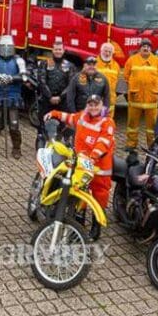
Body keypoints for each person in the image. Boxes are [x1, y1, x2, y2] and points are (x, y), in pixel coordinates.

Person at [45, 94, 116, 240]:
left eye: (96, 104)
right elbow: (69, 118)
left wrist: (94, 156)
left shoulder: (107, 122)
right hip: (82, 166)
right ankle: (78, 226)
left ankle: (96, 228)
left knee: (99, 197)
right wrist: (54, 113)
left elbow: (104, 142)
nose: (93, 107)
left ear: (102, 105)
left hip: (99, 170)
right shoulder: (83, 117)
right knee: (79, 193)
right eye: (90, 104)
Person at [0, 35, 27, 159]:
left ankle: (16, 148)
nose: (6, 48)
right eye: (3, 46)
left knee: (14, 124)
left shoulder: (19, 60)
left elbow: (24, 77)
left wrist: (11, 78)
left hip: (13, 95)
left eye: (8, 46)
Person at [124, 38, 158, 161]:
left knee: (151, 126)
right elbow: (126, 76)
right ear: (139, 48)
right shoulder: (132, 60)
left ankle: (152, 146)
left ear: (150, 49)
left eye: (148, 46)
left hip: (151, 100)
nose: (145, 48)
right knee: (132, 124)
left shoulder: (156, 60)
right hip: (135, 99)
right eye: (143, 46)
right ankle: (131, 145)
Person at [37, 40, 77, 148]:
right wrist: (50, 96)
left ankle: (63, 144)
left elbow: (71, 84)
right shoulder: (45, 63)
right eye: (56, 49)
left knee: (64, 124)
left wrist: (60, 97)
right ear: (52, 50)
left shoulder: (70, 66)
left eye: (60, 49)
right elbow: (41, 80)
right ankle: (41, 143)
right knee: (42, 122)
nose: (58, 51)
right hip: (47, 99)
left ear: (63, 51)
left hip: (62, 100)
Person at [96, 43, 120, 118]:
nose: (107, 53)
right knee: (96, 122)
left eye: (110, 52)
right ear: (101, 51)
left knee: (107, 122)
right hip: (96, 100)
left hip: (110, 100)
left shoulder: (116, 66)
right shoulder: (94, 64)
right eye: (105, 51)